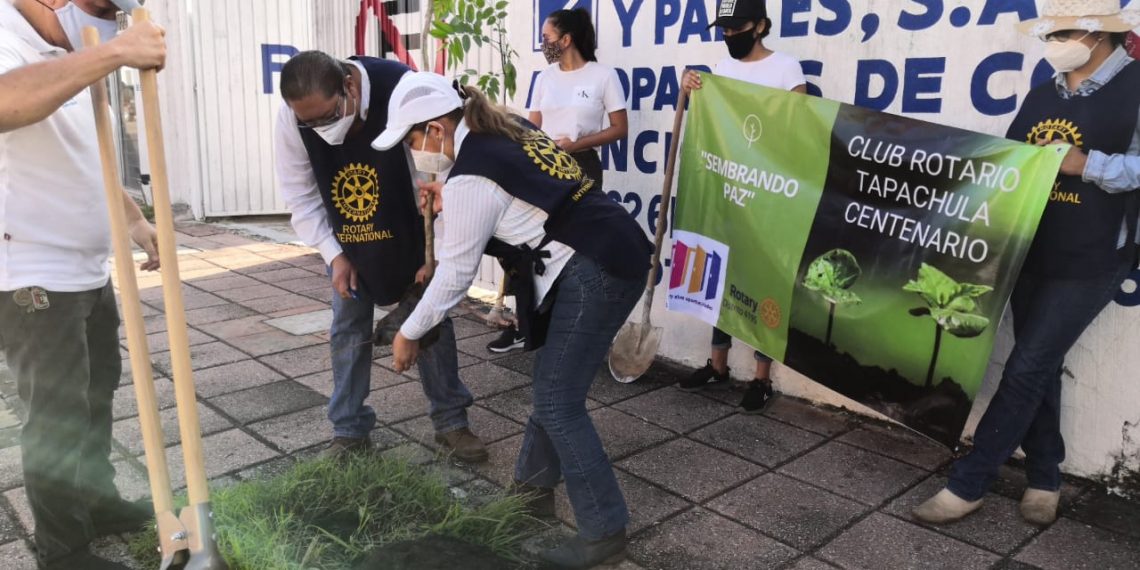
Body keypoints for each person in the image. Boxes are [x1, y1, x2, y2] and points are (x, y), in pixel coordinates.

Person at [374, 72, 653, 569]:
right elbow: (513, 193)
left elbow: (455, 274)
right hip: (611, 245)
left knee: (558, 401)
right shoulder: (505, 128)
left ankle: (604, 533)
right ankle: (531, 492)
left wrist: (409, 332)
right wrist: (451, 194)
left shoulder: (471, 175)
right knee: (553, 384)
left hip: (595, 268)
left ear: (436, 129)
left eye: (412, 141)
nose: (414, 152)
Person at [914, 0, 1140, 527]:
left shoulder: (1135, 89)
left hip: (1094, 255)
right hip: (1031, 248)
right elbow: (1013, 162)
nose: (1052, 43)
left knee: (1027, 366)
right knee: (1039, 367)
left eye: (1061, 33)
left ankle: (968, 483)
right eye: (1049, 34)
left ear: (1097, 34)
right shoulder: (1043, 94)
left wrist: (1087, 165)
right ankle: (1045, 476)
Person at [0, 1, 165, 568]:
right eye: (101, 7)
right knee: (56, 413)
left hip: (86, 268)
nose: (108, 19)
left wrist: (135, 220)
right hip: (32, 275)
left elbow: (86, 153)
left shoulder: (67, 49)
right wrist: (115, 53)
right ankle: (63, 550)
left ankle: (96, 502)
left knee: (95, 395)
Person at [274, 51, 488, 463]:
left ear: (349, 87)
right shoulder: (294, 116)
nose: (321, 129)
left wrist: (435, 254)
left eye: (328, 116)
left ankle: (451, 421)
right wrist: (334, 255)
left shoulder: (401, 89)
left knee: (430, 319)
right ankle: (349, 430)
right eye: (310, 123)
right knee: (347, 326)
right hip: (350, 236)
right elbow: (299, 194)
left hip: (410, 227)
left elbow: (440, 177)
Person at [677, 0, 806, 413]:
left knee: (764, 277)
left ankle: (761, 377)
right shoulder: (722, 69)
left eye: (737, 28)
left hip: (766, 194)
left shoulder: (786, 68)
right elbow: (711, 124)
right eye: (725, 29)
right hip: (726, 189)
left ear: (761, 25)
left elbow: (799, 127)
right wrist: (689, 89)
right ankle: (717, 364)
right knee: (719, 270)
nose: (730, 36)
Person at [484, 7, 630, 354]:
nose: (543, 44)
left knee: (578, 248)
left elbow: (620, 129)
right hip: (543, 166)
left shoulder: (602, 76)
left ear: (566, 40)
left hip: (581, 167)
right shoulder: (545, 78)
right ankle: (525, 325)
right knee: (527, 244)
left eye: (547, 37)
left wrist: (576, 144)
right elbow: (531, 126)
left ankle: (574, 328)